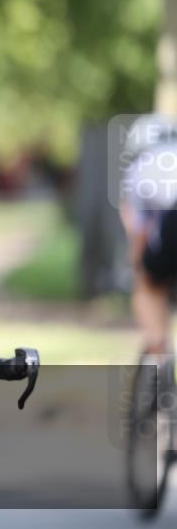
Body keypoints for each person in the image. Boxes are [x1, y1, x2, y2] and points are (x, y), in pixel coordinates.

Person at [119, 113, 177, 359]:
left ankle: (157, 349)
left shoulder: (139, 169)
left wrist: (137, 265)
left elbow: (139, 233)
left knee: (147, 282)